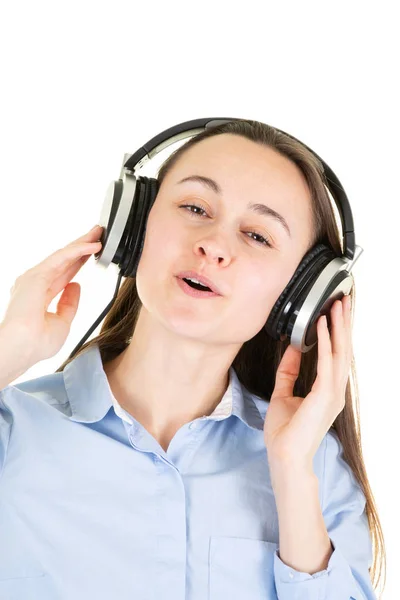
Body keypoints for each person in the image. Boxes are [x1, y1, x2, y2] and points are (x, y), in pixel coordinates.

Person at [0, 119, 385, 599]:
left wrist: (289, 475)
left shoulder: (316, 470)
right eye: (194, 207)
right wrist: (9, 349)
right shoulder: (13, 429)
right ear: (134, 226)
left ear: (297, 296)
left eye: (258, 236)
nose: (213, 246)